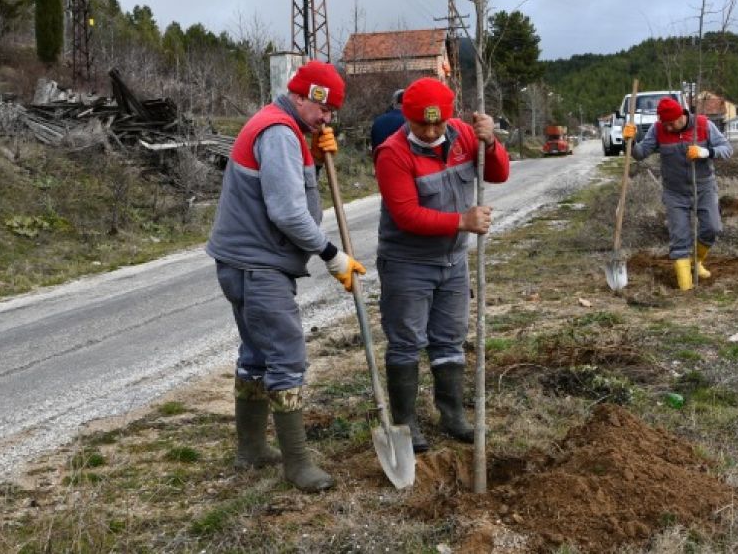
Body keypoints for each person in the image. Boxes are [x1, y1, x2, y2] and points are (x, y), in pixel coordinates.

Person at [206, 60, 366, 493]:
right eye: (325, 109)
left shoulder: (286, 130)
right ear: (302, 97)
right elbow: (288, 211)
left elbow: (287, 189)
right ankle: (296, 464)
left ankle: (252, 451)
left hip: (247, 260)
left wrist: (311, 158)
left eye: (332, 111)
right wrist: (332, 255)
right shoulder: (277, 133)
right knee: (286, 356)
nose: (328, 118)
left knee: (257, 355)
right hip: (257, 264)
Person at [373, 77, 511, 452]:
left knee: (449, 338)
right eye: (422, 124)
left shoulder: (464, 135)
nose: (432, 131)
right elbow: (406, 215)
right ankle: (406, 423)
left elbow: (498, 173)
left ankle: (451, 415)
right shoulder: (393, 153)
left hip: (452, 262)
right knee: (406, 342)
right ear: (408, 118)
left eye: (438, 123)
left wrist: (492, 141)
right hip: (407, 264)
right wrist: (462, 222)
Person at [626, 97, 733, 290]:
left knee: (713, 227)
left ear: (680, 117)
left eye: (670, 124)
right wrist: (631, 142)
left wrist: (706, 152)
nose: (667, 128)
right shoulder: (658, 129)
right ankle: (686, 288)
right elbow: (641, 153)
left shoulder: (703, 125)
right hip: (675, 193)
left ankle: (696, 262)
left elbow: (727, 150)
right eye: (664, 124)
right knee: (680, 238)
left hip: (704, 188)